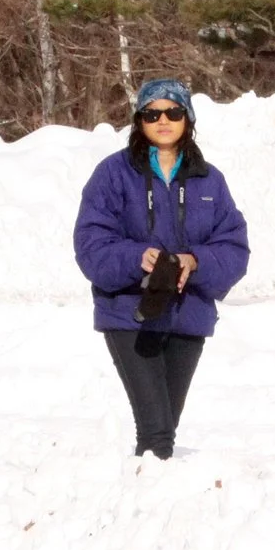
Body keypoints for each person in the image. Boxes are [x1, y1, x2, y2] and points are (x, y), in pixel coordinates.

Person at [72, 77, 250, 459]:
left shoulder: (209, 179)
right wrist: (139, 257)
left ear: (188, 118)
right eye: (152, 113)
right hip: (130, 314)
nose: (163, 120)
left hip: (188, 316)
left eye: (173, 112)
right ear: (139, 121)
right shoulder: (113, 174)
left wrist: (196, 261)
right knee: (156, 431)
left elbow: (234, 247)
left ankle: (151, 496)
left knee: (165, 426)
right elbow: (91, 244)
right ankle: (143, 507)